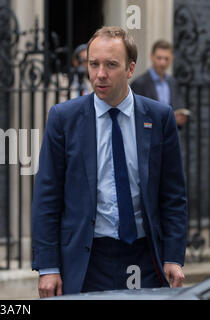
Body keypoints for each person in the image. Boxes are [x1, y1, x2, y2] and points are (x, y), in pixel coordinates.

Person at [32, 27, 187, 297]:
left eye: (111, 65)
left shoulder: (160, 117)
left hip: (144, 255)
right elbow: (47, 196)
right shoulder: (63, 118)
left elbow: (173, 195)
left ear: (130, 69)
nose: (100, 74)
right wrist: (48, 266)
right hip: (87, 258)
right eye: (94, 64)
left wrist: (173, 256)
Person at [131, 40, 189, 128]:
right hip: (149, 136)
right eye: (159, 58)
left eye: (166, 59)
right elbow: (137, 115)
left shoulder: (172, 82)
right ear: (152, 57)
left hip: (169, 135)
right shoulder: (139, 83)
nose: (162, 62)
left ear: (172, 58)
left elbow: (176, 107)